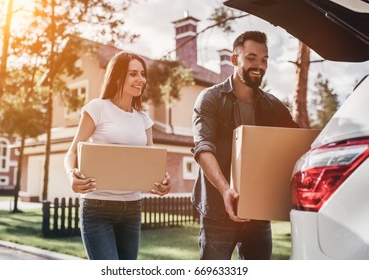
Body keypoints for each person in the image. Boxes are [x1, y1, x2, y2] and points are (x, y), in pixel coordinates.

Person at [191, 31, 299, 260]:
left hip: (259, 213)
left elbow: (298, 142)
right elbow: (203, 148)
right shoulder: (210, 98)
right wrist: (225, 189)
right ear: (234, 60)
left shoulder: (273, 106)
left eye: (264, 59)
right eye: (251, 58)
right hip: (219, 213)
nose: (259, 65)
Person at [64, 51, 171, 260]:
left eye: (142, 73)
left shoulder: (143, 119)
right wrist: (71, 176)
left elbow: (151, 162)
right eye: (133, 74)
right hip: (97, 208)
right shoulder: (98, 108)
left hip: (132, 208)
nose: (140, 79)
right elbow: (72, 152)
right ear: (118, 76)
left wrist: (163, 180)